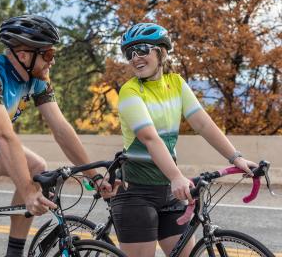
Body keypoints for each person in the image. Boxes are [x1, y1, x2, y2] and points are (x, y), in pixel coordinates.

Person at [0, 15, 110, 257]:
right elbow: (4, 135)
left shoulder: (37, 79)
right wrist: (28, 192)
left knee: (36, 167)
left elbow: (61, 128)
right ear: (24, 55)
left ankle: (14, 253)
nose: (52, 61)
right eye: (49, 54)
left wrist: (93, 176)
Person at [110, 23, 257, 257]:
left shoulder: (177, 84)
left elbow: (203, 124)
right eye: (130, 53)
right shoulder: (130, 91)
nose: (135, 57)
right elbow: (150, 138)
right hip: (136, 194)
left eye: (143, 49)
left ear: (162, 52)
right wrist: (176, 176)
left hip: (169, 193)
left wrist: (236, 157)